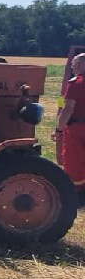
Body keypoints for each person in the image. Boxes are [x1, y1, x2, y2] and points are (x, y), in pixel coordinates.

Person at [54, 53, 85, 191]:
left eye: (73, 64)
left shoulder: (75, 83)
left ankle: (76, 191)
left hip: (77, 128)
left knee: (74, 160)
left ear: (78, 64)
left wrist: (59, 129)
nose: (72, 67)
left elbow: (68, 109)